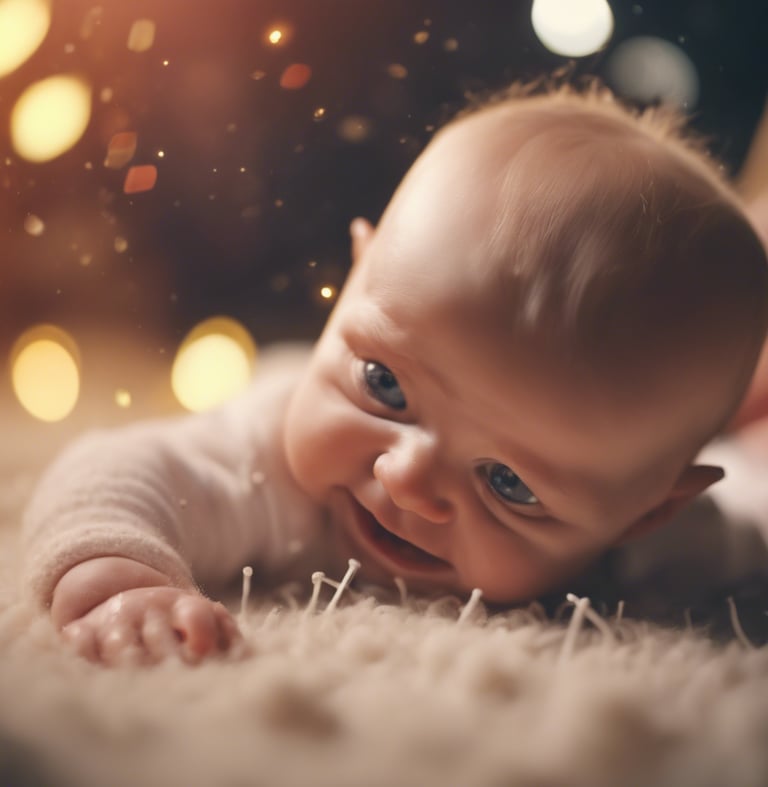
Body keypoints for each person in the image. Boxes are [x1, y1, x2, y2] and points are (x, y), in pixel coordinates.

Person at [20, 84, 768, 666]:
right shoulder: (265, 464)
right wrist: (122, 583)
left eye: (508, 482)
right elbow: (113, 471)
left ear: (645, 512)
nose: (406, 477)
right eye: (383, 383)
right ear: (356, 274)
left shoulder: (671, 542)